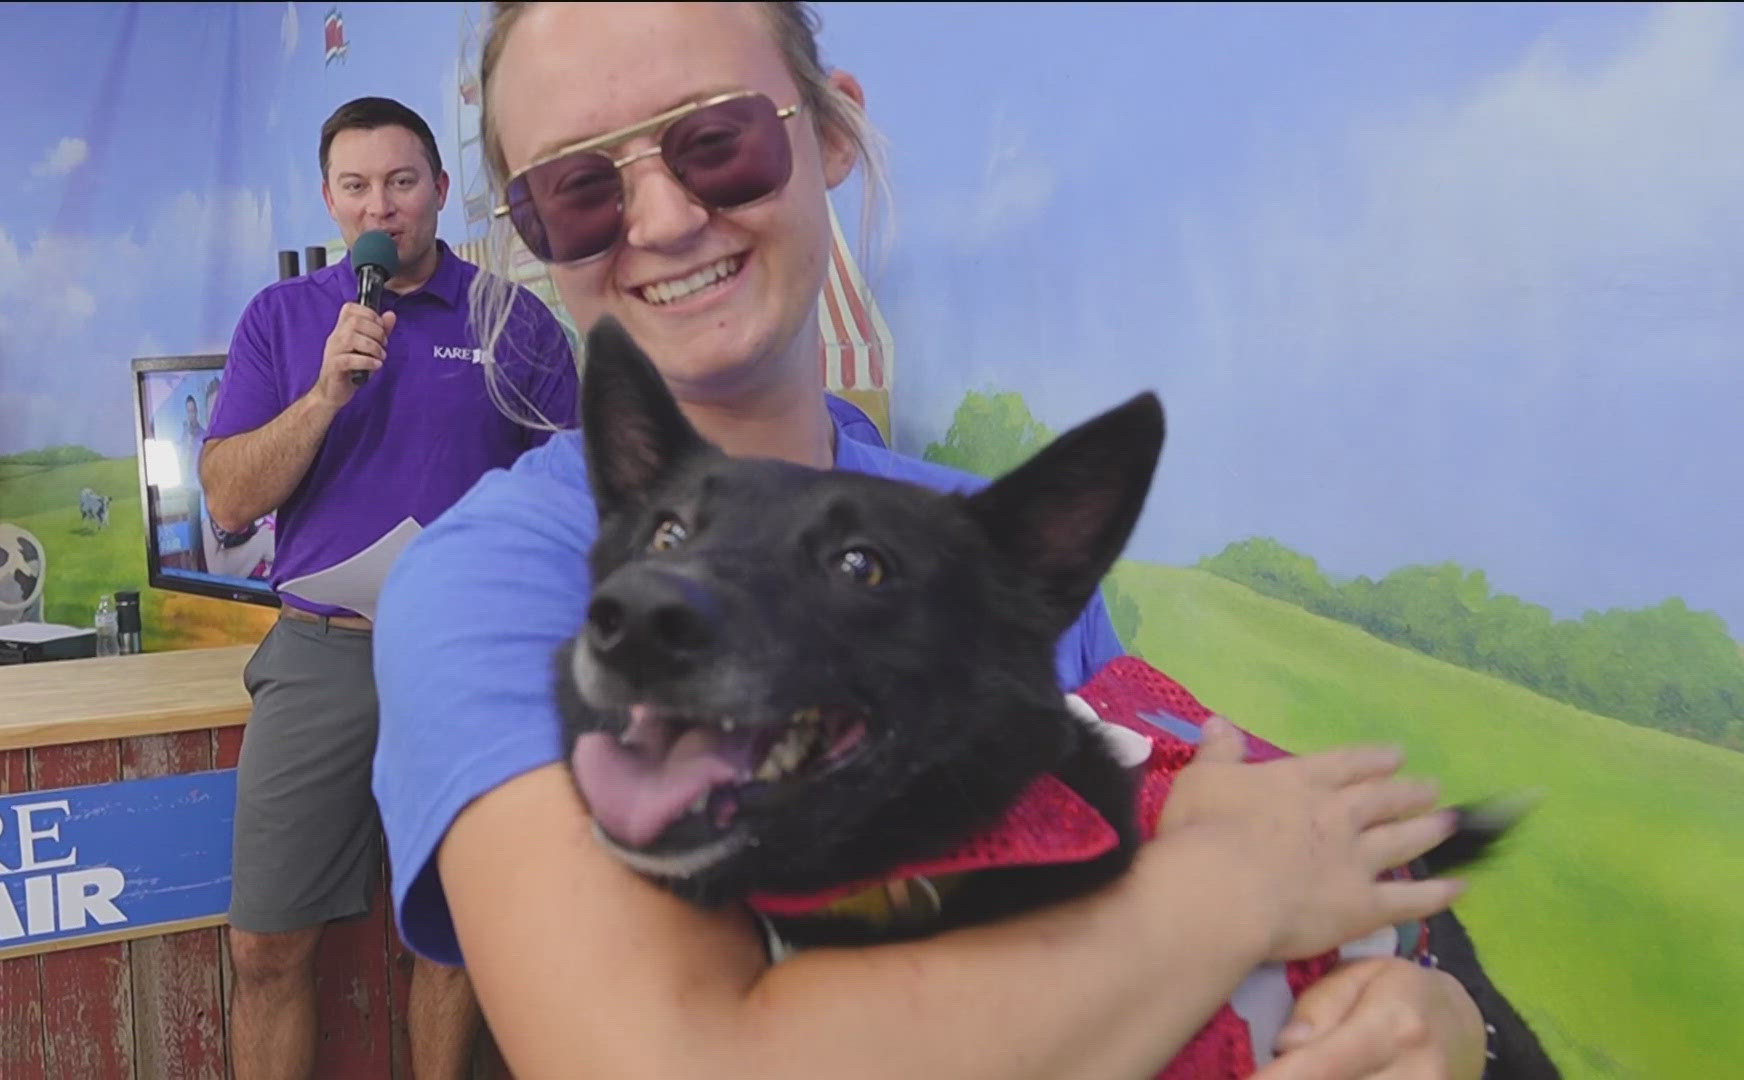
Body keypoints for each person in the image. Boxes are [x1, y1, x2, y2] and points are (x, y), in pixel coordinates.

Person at [371, 4, 1490, 1078]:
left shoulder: (976, 533)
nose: (661, 221)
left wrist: (1426, 1006)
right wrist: (1229, 896)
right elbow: (678, 1061)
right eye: (578, 189)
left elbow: (1219, 815)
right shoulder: (495, 579)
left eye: (716, 141)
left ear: (835, 129)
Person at [199, 95, 578, 1080]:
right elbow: (230, 501)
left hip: (469, 664)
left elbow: (583, 494)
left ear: (441, 191)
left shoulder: (515, 321)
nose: (383, 208)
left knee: (453, 941)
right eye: (358, 187)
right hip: (326, 655)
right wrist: (324, 395)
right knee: (265, 945)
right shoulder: (282, 321)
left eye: (402, 183)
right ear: (329, 200)